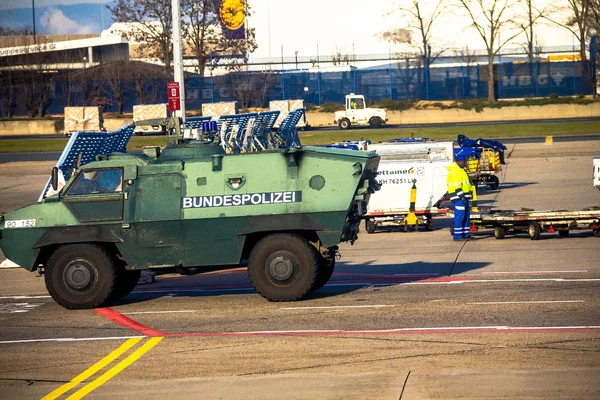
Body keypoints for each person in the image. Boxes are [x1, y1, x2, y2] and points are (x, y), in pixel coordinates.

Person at [447, 153, 473, 241]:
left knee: (466, 216)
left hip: (464, 198)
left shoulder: (461, 170)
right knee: (460, 216)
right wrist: (461, 196)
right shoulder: (456, 171)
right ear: (461, 161)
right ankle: (458, 236)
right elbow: (456, 185)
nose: (466, 163)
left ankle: (466, 234)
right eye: (465, 161)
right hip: (459, 198)